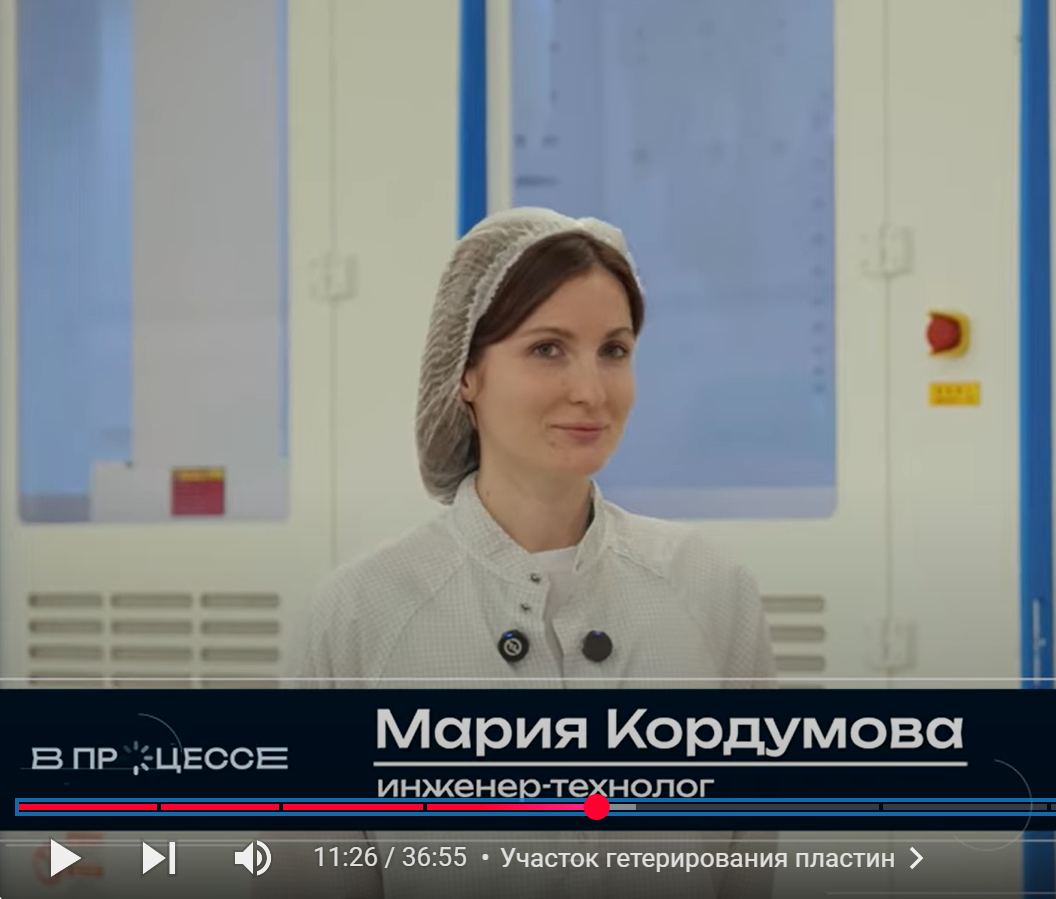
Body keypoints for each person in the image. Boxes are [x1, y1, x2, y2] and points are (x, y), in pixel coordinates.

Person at [261, 207, 776, 898]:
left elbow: (751, 868)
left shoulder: (711, 592)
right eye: (548, 349)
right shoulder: (361, 616)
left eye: (614, 350)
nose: (591, 391)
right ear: (465, 372)